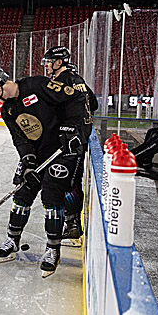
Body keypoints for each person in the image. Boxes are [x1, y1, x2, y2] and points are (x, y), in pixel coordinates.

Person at [0, 65, 93, 277]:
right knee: (22, 191)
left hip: (65, 149)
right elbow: (20, 139)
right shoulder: (7, 110)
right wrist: (28, 160)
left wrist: (74, 130)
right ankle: (12, 241)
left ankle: (53, 248)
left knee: (52, 193)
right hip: (40, 153)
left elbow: (75, 97)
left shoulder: (37, 84)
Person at [41, 47, 98, 246]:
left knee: (67, 181)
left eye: (49, 61)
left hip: (70, 139)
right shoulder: (78, 79)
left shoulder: (60, 81)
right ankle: (72, 224)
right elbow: (94, 104)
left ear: (59, 62)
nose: (47, 65)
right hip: (79, 136)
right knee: (72, 180)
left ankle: (73, 226)